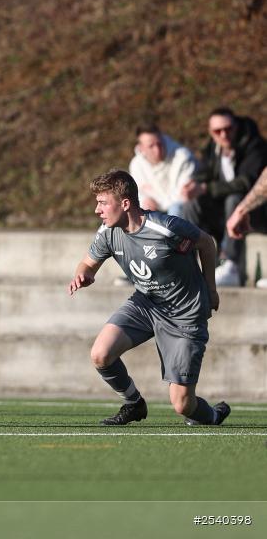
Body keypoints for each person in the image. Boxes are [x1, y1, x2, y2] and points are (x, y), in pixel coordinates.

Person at [68, 169, 230, 427]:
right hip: (146, 304)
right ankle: (134, 403)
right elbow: (86, 264)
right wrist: (83, 275)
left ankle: (212, 415)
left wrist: (211, 289)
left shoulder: (166, 227)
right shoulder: (108, 232)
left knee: (182, 405)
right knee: (100, 354)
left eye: (102, 203)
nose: (97, 210)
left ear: (125, 203)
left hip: (184, 313)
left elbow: (207, 243)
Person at [181, 107, 267, 286]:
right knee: (191, 204)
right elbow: (203, 173)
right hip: (223, 212)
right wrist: (194, 185)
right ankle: (186, 262)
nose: (223, 135)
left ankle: (231, 265)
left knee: (235, 198)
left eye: (228, 129)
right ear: (210, 132)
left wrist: (206, 188)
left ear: (236, 126)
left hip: (254, 211)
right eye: (217, 131)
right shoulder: (214, 148)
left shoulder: (254, 145)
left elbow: (246, 182)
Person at [128, 123, 198, 217]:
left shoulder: (182, 157)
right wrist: (144, 199)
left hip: (182, 209)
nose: (157, 150)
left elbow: (183, 195)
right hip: (155, 210)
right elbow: (137, 192)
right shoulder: (136, 165)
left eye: (159, 144)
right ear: (141, 148)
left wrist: (159, 204)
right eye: (151, 146)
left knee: (175, 210)